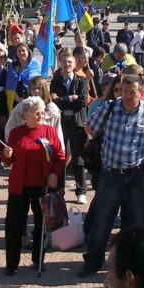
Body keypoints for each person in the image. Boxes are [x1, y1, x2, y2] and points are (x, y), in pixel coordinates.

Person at [79, 74, 144, 278]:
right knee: (102, 221)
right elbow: (89, 128)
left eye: (132, 92)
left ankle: (133, 266)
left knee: (137, 223)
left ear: (140, 93)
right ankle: (93, 262)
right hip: (111, 174)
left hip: (138, 176)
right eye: (124, 91)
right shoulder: (110, 108)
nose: (128, 96)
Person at [0, 96, 65, 275]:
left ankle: (38, 259)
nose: (41, 115)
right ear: (25, 115)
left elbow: (60, 156)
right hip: (19, 186)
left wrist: (54, 174)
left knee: (40, 224)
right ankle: (11, 263)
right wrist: (6, 154)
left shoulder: (49, 132)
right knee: (13, 224)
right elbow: (7, 161)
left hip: (42, 186)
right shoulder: (16, 133)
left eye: (42, 112)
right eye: (36, 113)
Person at [51, 52, 90, 204]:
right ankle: (59, 190)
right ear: (60, 63)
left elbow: (81, 102)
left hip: (77, 123)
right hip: (60, 123)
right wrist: (68, 98)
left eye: (70, 62)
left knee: (78, 158)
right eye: (64, 62)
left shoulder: (82, 81)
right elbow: (53, 102)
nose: (67, 65)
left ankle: (81, 191)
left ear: (74, 65)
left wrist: (62, 100)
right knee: (60, 156)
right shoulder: (55, 81)